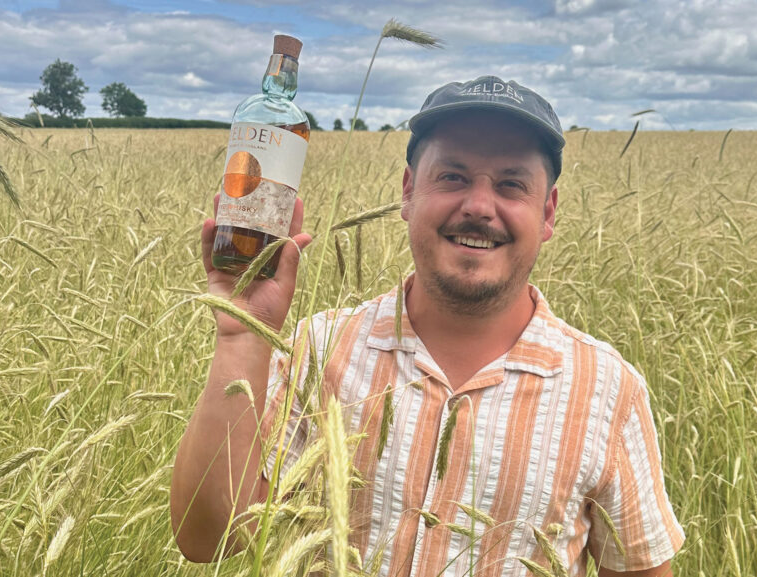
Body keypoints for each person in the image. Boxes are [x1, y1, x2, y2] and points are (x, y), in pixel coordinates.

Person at [171, 75, 685, 576]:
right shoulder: (320, 350)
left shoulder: (609, 391)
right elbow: (208, 538)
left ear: (547, 212)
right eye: (453, 177)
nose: (479, 207)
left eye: (511, 185)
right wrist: (243, 333)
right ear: (408, 192)